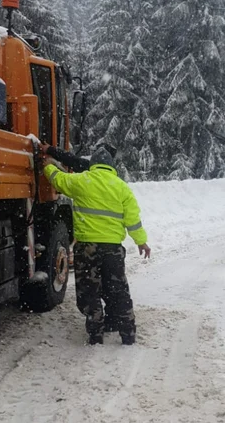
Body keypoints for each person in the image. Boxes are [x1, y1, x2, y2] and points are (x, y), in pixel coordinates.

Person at [43, 146, 151, 345]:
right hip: (113, 249)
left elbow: (59, 179)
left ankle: (96, 332)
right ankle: (128, 332)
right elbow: (133, 219)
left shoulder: (82, 181)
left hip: (87, 248)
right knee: (119, 289)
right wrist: (141, 241)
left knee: (89, 290)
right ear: (111, 166)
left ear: (93, 164)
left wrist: (48, 166)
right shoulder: (122, 187)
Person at [42, 142, 119, 332]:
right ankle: (114, 320)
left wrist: (49, 154)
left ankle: (96, 322)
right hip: (111, 243)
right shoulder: (115, 180)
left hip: (89, 243)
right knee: (111, 284)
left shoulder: (89, 174)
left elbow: (71, 164)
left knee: (90, 285)